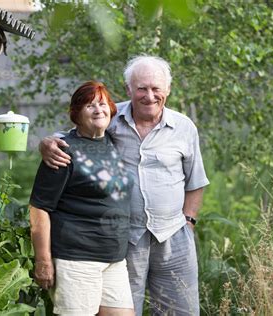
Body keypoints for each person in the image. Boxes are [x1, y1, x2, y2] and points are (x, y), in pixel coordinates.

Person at [40, 56, 209, 315]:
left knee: (181, 310)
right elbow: (78, 134)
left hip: (174, 236)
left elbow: (195, 182)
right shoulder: (111, 118)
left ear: (168, 90)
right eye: (141, 88)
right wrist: (49, 141)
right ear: (129, 90)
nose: (149, 96)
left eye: (156, 88)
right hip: (126, 238)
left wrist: (188, 221)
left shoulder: (184, 128)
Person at [29, 81, 135, 316]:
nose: (98, 110)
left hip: (114, 259)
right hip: (76, 258)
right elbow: (39, 208)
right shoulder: (62, 151)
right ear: (76, 114)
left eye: (102, 104)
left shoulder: (113, 142)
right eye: (89, 106)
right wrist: (43, 260)